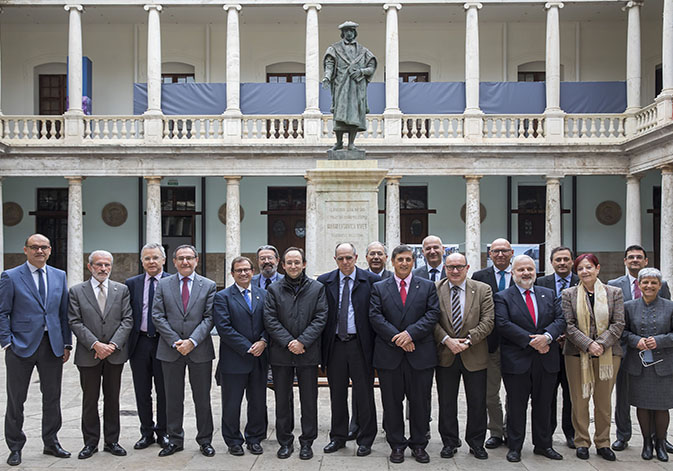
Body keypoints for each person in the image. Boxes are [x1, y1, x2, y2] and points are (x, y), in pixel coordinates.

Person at [0, 234, 72, 467]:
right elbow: (2, 312)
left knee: (52, 397)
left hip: (51, 345)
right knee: (16, 399)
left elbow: (63, 313)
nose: (39, 251)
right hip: (20, 345)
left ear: (50, 250)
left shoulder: (59, 276)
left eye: (44, 247)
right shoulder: (10, 276)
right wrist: (7, 342)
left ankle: (51, 442)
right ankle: (15, 446)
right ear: (25, 250)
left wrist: (66, 343)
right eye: (34, 247)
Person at [369, 244, 440, 464]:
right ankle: (397, 444)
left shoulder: (427, 286)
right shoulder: (380, 287)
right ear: (392, 261)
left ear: (413, 261)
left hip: (420, 354)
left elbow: (432, 314)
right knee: (391, 403)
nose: (404, 263)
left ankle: (419, 444)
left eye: (408, 259)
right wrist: (399, 339)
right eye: (400, 259)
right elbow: (375, 317)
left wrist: (409, 335)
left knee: (420, 402)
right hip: (390, 356)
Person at [495, 255, 566, 463]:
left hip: (546, 359)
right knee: (517, 406)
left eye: (530, 269)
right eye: (521, 270)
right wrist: (532, 342)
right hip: (517, 360)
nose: (526, 273)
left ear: (535, 272)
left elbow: (561, 319)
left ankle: (543, 445)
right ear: (513, 272)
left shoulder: (549, 293)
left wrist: (547, 337)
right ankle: (515, 446)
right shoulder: (503, 296)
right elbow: (503, 324)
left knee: (544, 404)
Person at [152, 245, 217, 458]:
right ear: (174, 261)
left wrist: (192, 341)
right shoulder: (163, 285)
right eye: (181, 258)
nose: (185, 262)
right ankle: (175, 440)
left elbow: (209, 317)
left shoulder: (208, 285)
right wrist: (175, 341)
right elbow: (157, 316)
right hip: (170, 350)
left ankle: (205, 440)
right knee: (172, 397)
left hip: (200, 350)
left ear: (196, 260)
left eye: (189, 258)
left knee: (202, 398)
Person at [263, 247, 328, 460]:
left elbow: (321, 317)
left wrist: (302, 342)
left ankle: (307, 442)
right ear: (283, 265)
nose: (293, 266)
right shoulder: (274, 289)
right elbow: (270, 319)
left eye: (297, 262)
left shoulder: (317, 288)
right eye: (289, 262)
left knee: (309, 400)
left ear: (304, 264)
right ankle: (285, 441)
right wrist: (289, 342)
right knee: (283, 400)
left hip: (307, 353)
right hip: (281, 353)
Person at [68, 250, 133, 459]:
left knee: (112, 398)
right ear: (90, 267)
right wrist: (96, 344)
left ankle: (112, 441)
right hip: (89, 355)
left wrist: (112, 345)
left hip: (115, 354)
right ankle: (90, 442)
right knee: (90, 399)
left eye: (107, 265)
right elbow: (74, 321)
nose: (103, 268)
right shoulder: (77, 291)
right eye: (99, 265)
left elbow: (127, 320)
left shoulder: (121, 290)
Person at [608, 244, 671, 452]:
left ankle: (658, 439)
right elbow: (618, 326)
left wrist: (659, 340)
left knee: (658, 402)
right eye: (630, 257)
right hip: (629, 356)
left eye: (639, 257)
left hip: (661, 359)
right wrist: (635, 341)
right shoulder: (616, 287)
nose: (635, 260)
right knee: (627, 399)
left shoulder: (666, 296)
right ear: (625, 261)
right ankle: (628, 437)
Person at [318, 243, 380, 457]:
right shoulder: (324, 282)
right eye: (340, 258)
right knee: (337, 393)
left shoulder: (371, 281)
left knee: (364, 393)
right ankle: (338, 436)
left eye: (349, 258)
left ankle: (365, 438)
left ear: (356, 257)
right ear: (335, 259)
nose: (345, 262)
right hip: (334, 345)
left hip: (360, 346)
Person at [562, 253, 624, 461]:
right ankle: (581, 441)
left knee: (603, 401)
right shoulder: (568, 294)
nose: (585, 271)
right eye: (580, 268)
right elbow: (569, 326)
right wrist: (588, 345)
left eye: (589, 267)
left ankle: (603, 442)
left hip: (609, 354)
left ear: (598, 268)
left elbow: (618, 324)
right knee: (579, 400)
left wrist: (601, 344)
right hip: (576, 354)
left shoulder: (614, 292)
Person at [434, 252, 493, 460]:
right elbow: (431, 319)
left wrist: (468, 341)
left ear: (467, 268)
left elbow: (488, 321)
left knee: (477, 402)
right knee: (447, 402)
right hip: (445, 354)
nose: (455, 270)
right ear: (444, 268)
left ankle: (476, 443)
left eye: (459, 266)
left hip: (474, 353)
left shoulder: (482, 289)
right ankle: (449, 442)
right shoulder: (435, 289)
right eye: (450, 267)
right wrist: (447, 340)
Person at [213, 256, 268, 456]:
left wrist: (263, 341)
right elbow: (224, 328)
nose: (243, 273)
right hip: (234, 359)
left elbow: (270, 322)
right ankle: (233, 440)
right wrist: (248, 347)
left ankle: (255, 438)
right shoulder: (223, 297)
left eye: (246, 269)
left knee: (257, 402)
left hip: (260, 359)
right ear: (232, 274)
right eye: (239, 270)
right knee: (232, 403)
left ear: (253, 271)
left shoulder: (264, 294)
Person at [622, 267, 673, 462]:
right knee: (642, 406)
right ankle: (646, 443)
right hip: (639, 365)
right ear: (640, 285)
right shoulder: (629, 306)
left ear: (660, 286)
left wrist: (660, 340)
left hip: (664, 366)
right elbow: (623, 332)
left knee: (661, 407)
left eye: (653, 282)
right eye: (645, 282)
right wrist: (636, 341)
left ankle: (660, 443)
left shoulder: (670, 306)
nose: (649, 286)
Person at [125, 243, 171, 450]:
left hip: (164, 342)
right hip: (140, 342)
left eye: (155, 258)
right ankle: (146, 432)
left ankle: (163, 431)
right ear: (141, 261)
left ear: (163, 260)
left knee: (164, 390)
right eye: (147, 258)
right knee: (142, 390)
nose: (151, 262)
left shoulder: (172, 281)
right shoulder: (132, 283)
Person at [471, 238, 513, 449]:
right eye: (495, 251)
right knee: (490, 393)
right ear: (489, 254)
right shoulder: (480, 277)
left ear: (511, 253)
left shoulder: (522, 274)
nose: (500, 255)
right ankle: (496, 431)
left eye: (504, 251)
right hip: (491, 344)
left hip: (517, 346)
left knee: (514, 393)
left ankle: (511, 430)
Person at [535, 246, 578, 449]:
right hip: (549, 347)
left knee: (571, 393)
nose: (562, 263)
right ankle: (547, 433)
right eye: (558, 259)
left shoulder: (582, 281)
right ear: (551, 262)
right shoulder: (541, 282)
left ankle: (570, 432)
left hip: (574, 347)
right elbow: (538, 314)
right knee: (547, 394)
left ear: (572, 261)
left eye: (566, 259)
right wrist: (551, 335)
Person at [322, 21, 377, 151]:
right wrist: (327, 77)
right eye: (347, 31)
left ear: (355, 33)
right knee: (339, 113)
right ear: (343, 33)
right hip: (341, 85)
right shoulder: (334, 49)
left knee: (355, 113)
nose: (349, 33)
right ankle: (339, 142)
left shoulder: (364, 51)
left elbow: (372, 66)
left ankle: (351, 144)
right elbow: (329, 64)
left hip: (356, 86)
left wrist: (361, 72)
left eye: (351, 31)